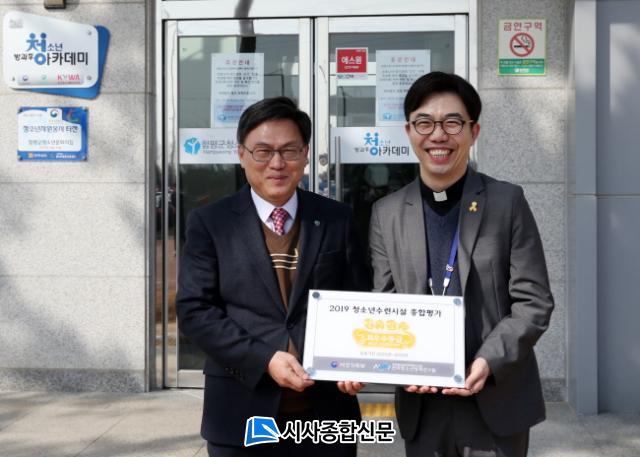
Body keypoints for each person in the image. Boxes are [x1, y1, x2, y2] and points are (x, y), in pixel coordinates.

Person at [368, 72, 554, 457]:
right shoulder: (387, 213)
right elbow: (385, 302)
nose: (438, 135)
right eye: (424, 123)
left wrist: (489, 359)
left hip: (495, 397)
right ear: (409, 131)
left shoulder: (506, 202)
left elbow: (533, 301)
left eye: (453, 123)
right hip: (422, 404)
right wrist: (394, 364)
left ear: (474, 131)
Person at [176, 96, 370, 457]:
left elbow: (358, 302)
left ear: (306, 154)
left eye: (289, 150)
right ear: (241, 154)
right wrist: (264, 359)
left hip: (326, 412)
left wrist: (356, 360)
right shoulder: (210, 222)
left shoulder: (337, 219)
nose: (277, 163)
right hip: (240, 410)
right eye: (263, 151)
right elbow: (195, 311)